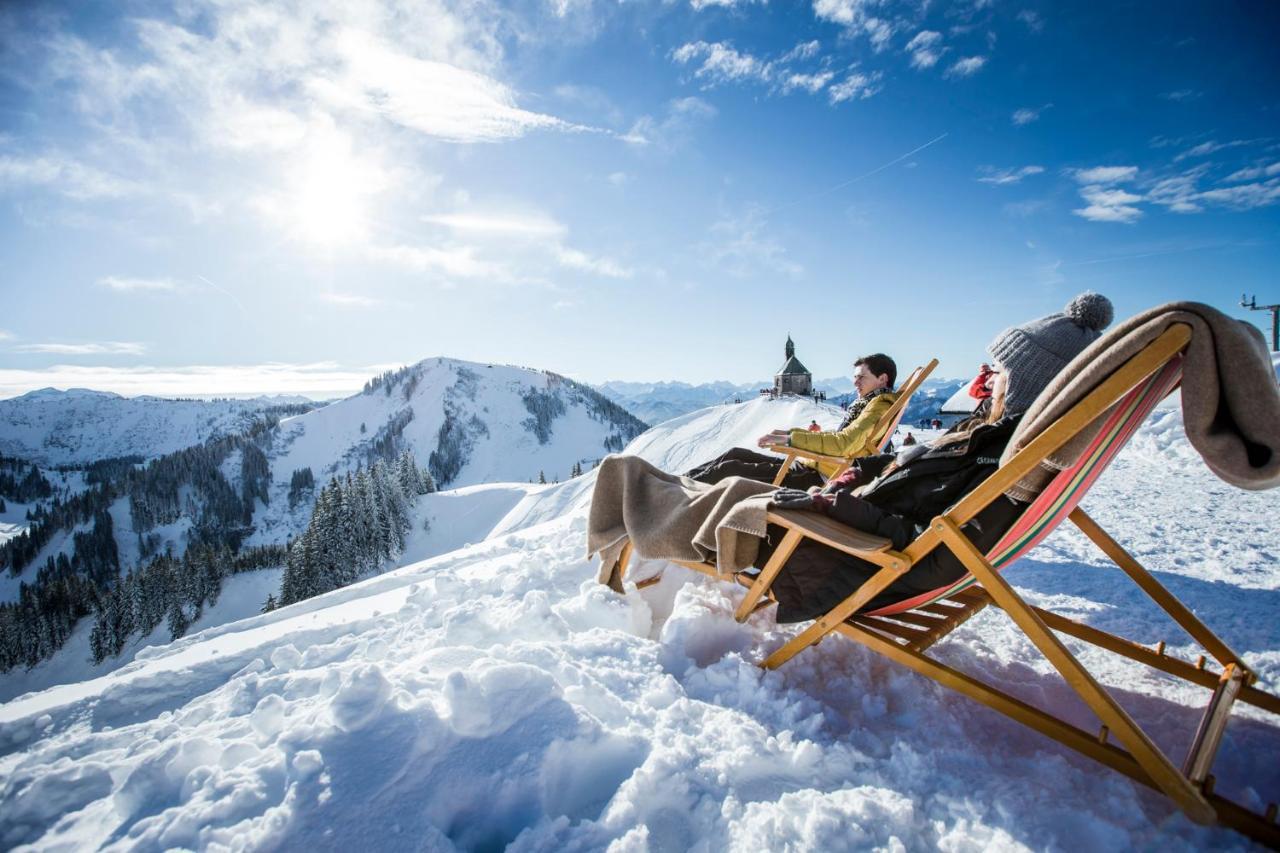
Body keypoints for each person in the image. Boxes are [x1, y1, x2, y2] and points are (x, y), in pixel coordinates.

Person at [757, 292, 1114, 622]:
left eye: (1001, 371)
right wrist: (859, 474)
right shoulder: (991, 437)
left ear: (1029, 382)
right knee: (736, 487)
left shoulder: (998, 457)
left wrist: (830, 503)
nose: (988, 381)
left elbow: (923, 531)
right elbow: (917, 475)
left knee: (740, 498)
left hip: (847, 564)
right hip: (859, 533)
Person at [684, 354, 900, 490]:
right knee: (734, 453)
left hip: (817, 475)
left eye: (861, 377)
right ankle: (674, 483)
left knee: (728, 468)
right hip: (814, 465)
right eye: (855, 377)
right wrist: (791, 433)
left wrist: (791, 438)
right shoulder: (870, 404)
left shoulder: (878, 406)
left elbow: (844, 443)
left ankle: (672, 490)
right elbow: (843, 440)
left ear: (882, 379)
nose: (855, 382)